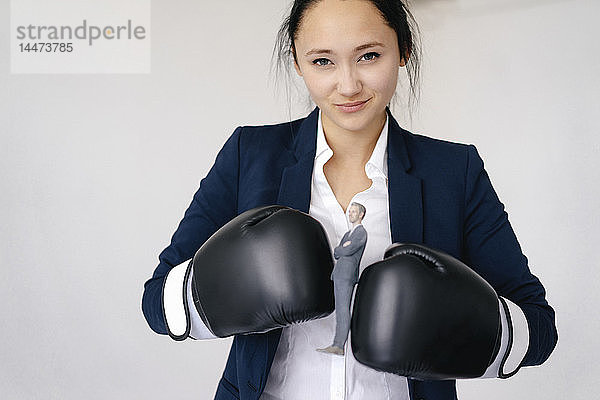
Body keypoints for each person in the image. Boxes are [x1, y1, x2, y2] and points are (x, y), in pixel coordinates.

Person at [141, 0, 558, 399]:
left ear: (403, 50)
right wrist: (233, 286)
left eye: (369, 56)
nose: (348, 84)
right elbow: (158, 302)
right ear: (297, 61)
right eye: (323, 60)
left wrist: (455, 325)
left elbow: (539, 328)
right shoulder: (249, 155)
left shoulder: (455, 171)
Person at [317, 202, 368, 356]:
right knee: (340, 310)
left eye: (354, 212)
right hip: (339, 273)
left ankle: (339, 345)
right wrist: (342, 248)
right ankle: (337, 344)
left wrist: (343, 249)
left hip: (347, 275)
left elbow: (349, 249)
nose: (350, 213)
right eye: (350, 211)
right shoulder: (348, 234)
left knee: (343, 310)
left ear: (361, 214)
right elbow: (337, 253)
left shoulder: (361, 233)